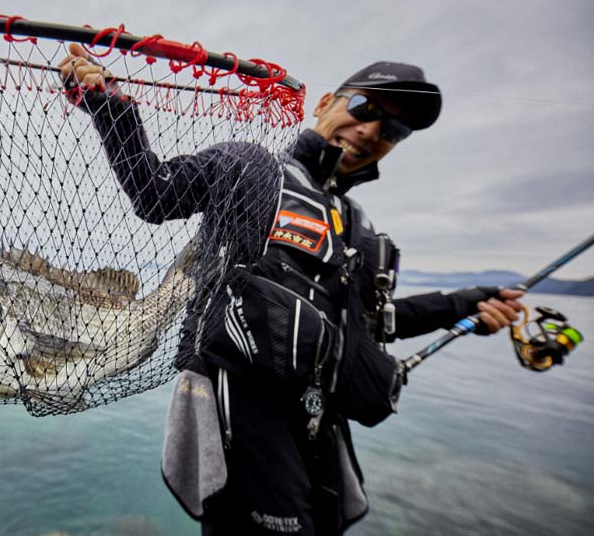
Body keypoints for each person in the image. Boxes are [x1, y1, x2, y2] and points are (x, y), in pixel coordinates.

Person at [58, 44, 524, 535]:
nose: (370, 131)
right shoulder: (250, 167)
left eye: (393, 130)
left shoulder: (359, 227)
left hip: (321, 423)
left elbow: (368, 326)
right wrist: (109, 105)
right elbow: (154, 192)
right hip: (242, 405)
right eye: (365, 109)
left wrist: (465, 305)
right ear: (325, 103)